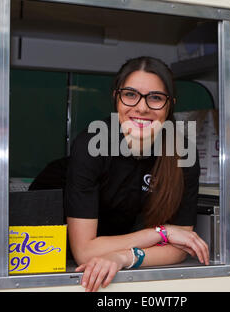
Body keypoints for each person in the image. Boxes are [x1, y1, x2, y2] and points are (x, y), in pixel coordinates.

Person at [66, 56, 209, 292]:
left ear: (169, 104)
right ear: (116, 98)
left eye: (155, 98)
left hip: (131, 268)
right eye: (131, 94)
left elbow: (183, 246)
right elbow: (84, 252)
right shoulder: (91, 146)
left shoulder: (182, 152)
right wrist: (161, 234)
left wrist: (126, 257)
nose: (142, 107)